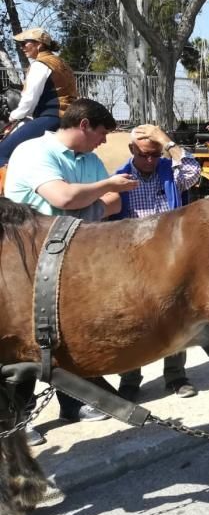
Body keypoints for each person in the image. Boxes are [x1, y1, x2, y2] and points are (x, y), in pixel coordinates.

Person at [5, 98, 139, 445]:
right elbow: (63, 198)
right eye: (101, 133)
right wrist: (103, 188)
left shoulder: (89, 160)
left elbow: (115, 203)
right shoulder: (33, 152)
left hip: (74, 259)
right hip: (26, 265)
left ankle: (73, 402)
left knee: (69, 334)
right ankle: (18, 419)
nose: (104, 142)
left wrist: (93, 195)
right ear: (84, 125)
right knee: (25, 343)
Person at [111, 124, 203, 401]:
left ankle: (175, 376)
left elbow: (193, 172)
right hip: (133, 257)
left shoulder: (169, 171)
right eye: (144, 155)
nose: (150, 161)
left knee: (176, 315)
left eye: (154, 154)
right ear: (131, 151)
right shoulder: (119, 179)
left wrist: (166, 142)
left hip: (170, 256)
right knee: (133, 319)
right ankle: (129, 378)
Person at [0, 27, 78, 166]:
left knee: (2, 152)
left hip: (52, 119)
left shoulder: (40, 65)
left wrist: (12, 117)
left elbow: (28, 102)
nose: (22, 47)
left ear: (39, 44)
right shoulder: (61, 63)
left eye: (25, 43)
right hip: (70, 118)